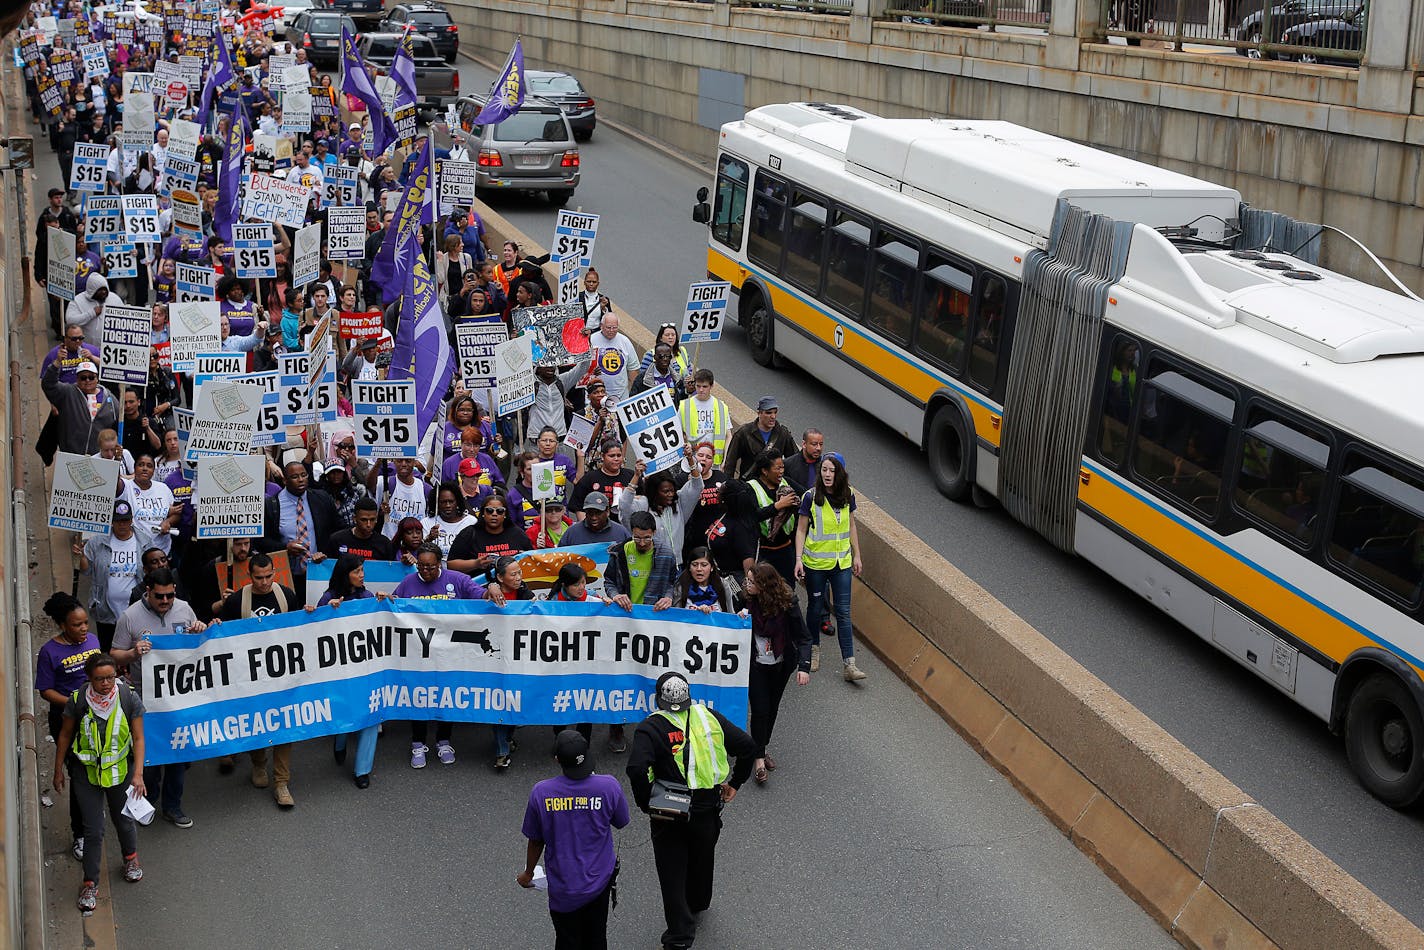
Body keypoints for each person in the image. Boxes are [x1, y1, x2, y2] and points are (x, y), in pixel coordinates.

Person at [625, 672, 756, 950]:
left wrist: (644, 802)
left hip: (668, 809)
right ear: (688, 696)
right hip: (706, 806)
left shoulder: (650, 728)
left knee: (671, 871)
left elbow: (637, 768)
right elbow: (747, 747)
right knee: (702, 855)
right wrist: (735, 783)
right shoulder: (708, 717)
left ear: (659, 699)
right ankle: (697, 903)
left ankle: (680, 936)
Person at [110, 569, 208, 827]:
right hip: (145, 699)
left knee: (177, 754)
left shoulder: (185, 609)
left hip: (179, 697)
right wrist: (133, 653)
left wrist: (200, 629)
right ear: (147, 591)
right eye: (159, 596)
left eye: (170, 596)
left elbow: (200, 646)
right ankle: (148, 802)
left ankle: (173, 807)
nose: (165, 601)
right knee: (150, 754)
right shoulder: (130, 617)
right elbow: (114, 655)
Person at [54, 653, 148, 913]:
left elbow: (139, 738)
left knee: (124, 820)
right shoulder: (78, 700)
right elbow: (64, 735)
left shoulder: (129, 697)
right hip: (87, 775)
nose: (106, 683)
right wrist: (58, 770)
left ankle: (130, 858)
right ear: (89, 678)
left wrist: (137, 774)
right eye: (99, 679)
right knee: (93, 831)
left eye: (110, 677)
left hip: (120, 773)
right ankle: (90, 883)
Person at [519, 730, 630, 950]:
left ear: (557, 759)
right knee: (597, 936)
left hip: (563, 886)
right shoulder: (608, 786)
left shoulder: (541, 793)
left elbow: (536, 840)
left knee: (567, 940)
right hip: (600, 881)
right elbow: (621, 821)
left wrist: (528, 873)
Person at [218, 554, 301, 808]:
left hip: (282, 675)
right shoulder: (236, 601)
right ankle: (258, 765)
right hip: (249, 677)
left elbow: (299, 631)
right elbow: (224, 638)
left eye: (268, 576)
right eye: (258, 578)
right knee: (257, 724)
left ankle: (281, 783)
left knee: (284, 725)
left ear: (274, 572)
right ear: (249, 576)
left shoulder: (286, 595)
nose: (264, 583)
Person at [392, 545, 485, 768]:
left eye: (431, 567)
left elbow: (479, 595)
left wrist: (490, 590)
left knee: (447, 696)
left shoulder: (458, 579)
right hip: (419, 655)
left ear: (440, 563)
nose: (425, 571)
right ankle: (418, 744)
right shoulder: (408, 582)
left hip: (450, 655)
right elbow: (393, 605)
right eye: (421, 566)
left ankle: (443, 741)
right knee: (419, 697)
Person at [35, 592, 101, 864]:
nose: (84, 629)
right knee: (80, 778)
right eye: (77, 625)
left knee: (99, 767)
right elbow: (45, 691)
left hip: (98, 720)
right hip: (68, 723)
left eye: (86, 623)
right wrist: (76, 703)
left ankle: (95, 816)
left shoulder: (94, 641)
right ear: (63, 625)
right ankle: (81, 834)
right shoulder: (50, 652)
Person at [311, 553, 384, 788]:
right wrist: (327, 611)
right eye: (357, 571)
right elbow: (316, 631)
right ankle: (340, 741)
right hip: (340, 670)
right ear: (345, 574)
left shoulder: (368, 596)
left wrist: (385, 603)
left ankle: (362, 770)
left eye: (363, 570)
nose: (362, 576)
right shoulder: (329, 598)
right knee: (345, 709)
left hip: (367, 667)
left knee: (371, 716)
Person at [795, 454, 867, 681]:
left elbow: (852, 525)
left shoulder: (849, 495)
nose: (827, 474)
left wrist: (857, 555)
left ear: (840, 473)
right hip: (816, 564)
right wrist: (798, 559)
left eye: (831, 470)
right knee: (815, 608)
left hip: (841, 563)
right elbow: (801, 530)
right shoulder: (811, 497)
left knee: (844, 612)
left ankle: (850, 665)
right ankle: (813, 651)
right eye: (824, 470)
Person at [741, 563, 812, 785]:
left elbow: (803, 637)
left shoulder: (788, 604)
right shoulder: (744, 599)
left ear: (764, 586)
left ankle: (760, 747)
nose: (748, 585)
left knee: (772, 709)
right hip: (755, 665)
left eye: (752, 582)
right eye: (747, 581)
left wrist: (804, 666)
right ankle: (759, 760)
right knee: (760, 709)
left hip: (780, 664)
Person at [75, 502, 153, 652]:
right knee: (108, 650)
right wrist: (80, 556)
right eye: (118, 521)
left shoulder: (144, 541)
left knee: (135, 650)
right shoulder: (97, 542)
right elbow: (86, 570)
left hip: (136, 609)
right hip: (106, 611)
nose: (122, 525)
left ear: (131, 520)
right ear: (111, 521)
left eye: (125, 520)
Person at [263, 459, 338, 605]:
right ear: (284, 480)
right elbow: (262, 541)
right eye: (295, 477)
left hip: (318, 573)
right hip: (288, 576)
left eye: (304, 475)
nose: (301, 480)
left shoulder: (322, 498)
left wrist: (326, 555)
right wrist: (285, 548)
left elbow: (336, 530)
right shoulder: (272, 505)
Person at [485, 555, 535, 769]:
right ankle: (501, 751)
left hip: (519, 657)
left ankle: (507, 737)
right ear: (500, 578)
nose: (518, 578)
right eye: (513, 574)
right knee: (499, 701)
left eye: (520, 573)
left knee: (514, 700)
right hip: (494, 657)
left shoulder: (525, 592)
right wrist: (491, 587)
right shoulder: (490, 594)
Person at [43, 357, 118, 456]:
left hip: (99, 457)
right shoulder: (67, 392)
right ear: (77, 379)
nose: (87, 380)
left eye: (91, 377)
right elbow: (48, 385)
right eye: (83, 377)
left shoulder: (110, 399)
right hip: (71, 454)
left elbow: (117, 424)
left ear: (97, 379)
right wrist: (57, 363)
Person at [447, 493, 531, 577]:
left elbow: (531, 559)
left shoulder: (517, 534)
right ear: (483, 513)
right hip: (478, 587)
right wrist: (475, 564)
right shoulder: (469, 533)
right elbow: (450, 565)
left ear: (505, 514)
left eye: (500, 511)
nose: (494, 514)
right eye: (489, 510)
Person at [722, 396, 797, 481]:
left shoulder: (783, 433)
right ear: (759, 413)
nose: (773, 416)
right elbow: (730, 462)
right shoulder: (744, 433)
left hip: (774, 485)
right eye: (768, 413)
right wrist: (729, 485)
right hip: (749, 485)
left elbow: (795, 459)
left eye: (775, 412)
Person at [677, 370, 731, 469]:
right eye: (698, 386)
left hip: (714, 463)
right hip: (692, 460)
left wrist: (725, 460)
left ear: (711, 386)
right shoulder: (685, 406)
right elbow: (677, 434)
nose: (701, 390)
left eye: (705, 386)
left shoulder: (721, 407)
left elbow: (728, 436)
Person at [569, 441, 634, 518]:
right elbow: (578, 507)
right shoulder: (589, 478)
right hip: (597, 527)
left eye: (619, 455)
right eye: (612, 456)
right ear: (603, 456)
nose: (616, 459)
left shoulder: (631, 476)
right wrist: (586, 528)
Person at [586, 312, 639, 402]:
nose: (611, 330)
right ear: (601, 326)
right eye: (608, 327)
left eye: (614, 328)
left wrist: (635, 393)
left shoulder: (625, 341)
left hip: (621, 396)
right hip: (596, 395)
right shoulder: (591, 340)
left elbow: (633, 368)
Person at [322, 496, 394, 561]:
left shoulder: (384, 544)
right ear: (354, 519)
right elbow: (326, 567)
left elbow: (391, 571)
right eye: (364, 520)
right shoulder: (337, 540)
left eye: (372, 520)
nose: (368, 524)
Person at [670, 548, 735, 613]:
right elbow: (676, 615)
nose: (699, 569)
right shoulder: (681, 586)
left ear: (712, 567)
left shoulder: (723, 585)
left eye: (704, 565)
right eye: (694, 565)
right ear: (689, 567)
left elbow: (730, 615)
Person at [423, 482, 478, 559]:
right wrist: (429, 538)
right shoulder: (427, 522)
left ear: (457, 502)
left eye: (451, 502)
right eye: (443, 502)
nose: (447, 505)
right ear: (437, 503)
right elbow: (419, 551)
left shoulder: (471, 522)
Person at [560, 492, 631, 548]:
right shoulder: (572, 533)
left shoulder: (621, 533)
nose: (594, 517)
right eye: (590, 513)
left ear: (607, 512)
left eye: (598, 513)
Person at [782, 428, 825, 496]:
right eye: (814, 444)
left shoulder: (826, 465)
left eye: (821, 444)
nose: (818, 448)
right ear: (804, 444)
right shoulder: (788, 465)